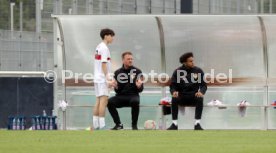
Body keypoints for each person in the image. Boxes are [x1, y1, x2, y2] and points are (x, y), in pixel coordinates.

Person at [167, 52, 207, 130]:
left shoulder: (197, 71)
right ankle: (174, 124)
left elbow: (203, 85)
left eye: (193, 61)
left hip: (193, 96)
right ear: (185, 62)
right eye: (190, 61)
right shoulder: (178, 72)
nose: (193, 63)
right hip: (182, 96)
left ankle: (197, 124)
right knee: (174, 98)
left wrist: (201, 92)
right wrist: (174, 92)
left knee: (200, 98)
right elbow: (173, 85)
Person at [107, 51, 144, 130]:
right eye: (128, 59)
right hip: (121, 96)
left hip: (133, 96)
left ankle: (134, 125)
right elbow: (117, 91)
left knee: (135, 101)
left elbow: (141, 90)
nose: (130, 60)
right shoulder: (117, 72)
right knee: (109, 102)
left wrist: (139, 86)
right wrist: (115, 87)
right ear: (123, 60)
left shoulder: (137, 71)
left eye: (131, 59)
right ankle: (118, 124)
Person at [93, 28, 115, 130]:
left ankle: (95, 125)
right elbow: (104, 64)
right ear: (106, 36)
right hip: (102, 78)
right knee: (103, 101)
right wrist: (108, 79)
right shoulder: (104, 48)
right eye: (111, 36)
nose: (112, 38)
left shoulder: (98, 46)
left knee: (98, 101)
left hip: (97, 77)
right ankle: (102, 125)